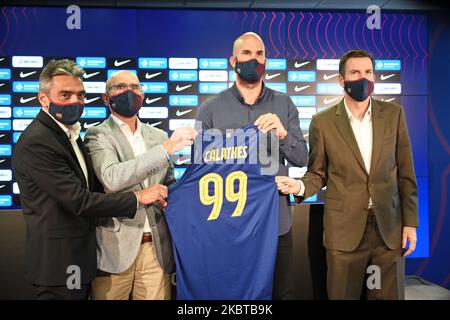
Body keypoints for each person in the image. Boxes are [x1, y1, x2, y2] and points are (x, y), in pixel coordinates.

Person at [12, 59, 167, 300]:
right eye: (65, 95)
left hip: (82, 257)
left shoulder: (70, 136)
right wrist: (138, 197)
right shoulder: (38, 141)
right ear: (43, 98)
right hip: (59, 262)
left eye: (80, 95)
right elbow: (80, 201)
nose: (75, 101)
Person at [275, 49, 418, 299]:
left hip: (389, 230)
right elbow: (318, 173)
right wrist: (299, 187)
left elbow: (406, 172)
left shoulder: (394, 115)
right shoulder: (323, 122)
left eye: (368, 72)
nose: (363, 78)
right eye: (355, 72)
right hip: (343, 233)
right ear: (342, 80)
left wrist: (411, 223)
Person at [195, 32, 308, 299]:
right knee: (232, 295)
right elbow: (200, 171)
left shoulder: (284, 103)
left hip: (276, 222)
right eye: (246, 54)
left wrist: (282, 134)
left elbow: (302, 158)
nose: (254, 59)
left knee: (282, 293)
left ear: (266, 61)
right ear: (233, 60)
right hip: (229, 224)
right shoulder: (210, 109)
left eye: (259, 54)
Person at [84, 71, 196, 300]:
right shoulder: (98, 135)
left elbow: (170, 182)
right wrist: (165, 149)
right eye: (120, 87)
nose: (130, 92)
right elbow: (111, 178)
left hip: (156, 250)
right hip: (115, 251)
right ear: (106, 99)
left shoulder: (157, 135)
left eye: (136, 87)